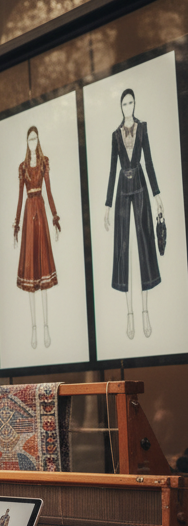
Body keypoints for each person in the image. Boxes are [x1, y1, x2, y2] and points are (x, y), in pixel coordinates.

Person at [104, 87, 164, 340]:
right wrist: (107, 204)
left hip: (139, 185)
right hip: (121, 190)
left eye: (131, 103)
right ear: (120, 107)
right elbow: (111, 169)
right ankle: (129, 313)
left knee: (145, 243)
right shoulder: (116, 135)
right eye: (124, 103)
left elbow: (148, 162)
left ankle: (145, 311)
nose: (127, 107)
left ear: (134, 104)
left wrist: (157, 194)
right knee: (123, 247)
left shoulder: (143, 129)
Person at [13, 125, 60, 349]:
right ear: (27, 141)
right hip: (29, 211)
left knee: (42, 267)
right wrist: (16, 225)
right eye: (29, 139)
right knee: (31, 268)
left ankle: (46, 326)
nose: (32, 142)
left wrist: (55, 217)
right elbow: (19, 198)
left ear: (38, 140)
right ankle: (33, 328)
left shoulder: (43, 162)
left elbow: (49, 191)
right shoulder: (22, 167)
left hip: (40, 211)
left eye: (35, 139)